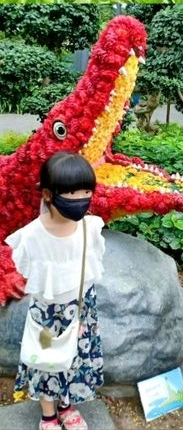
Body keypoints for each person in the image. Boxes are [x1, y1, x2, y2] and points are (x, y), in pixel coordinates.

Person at [6, 152, 105, 430]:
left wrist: (84, 319)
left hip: (81, 310)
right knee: (47, 360)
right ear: (48, 195)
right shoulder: (30, 237)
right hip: (47, 314)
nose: (81, 199)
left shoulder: (90, 228)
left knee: (74, 357)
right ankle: (48, 413)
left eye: (87, 191)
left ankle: (66, 404)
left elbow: (90, 272)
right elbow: (28, 275)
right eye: (72, 192)